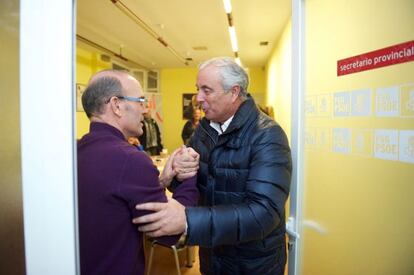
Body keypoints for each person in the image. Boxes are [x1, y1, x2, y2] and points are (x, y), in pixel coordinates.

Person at [133, 57, 292, 275]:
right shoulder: (205, 130)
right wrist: (179, 173)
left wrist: (187, 221)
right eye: (198, 89)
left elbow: (263, 214)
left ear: (234, 92)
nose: (198, 98)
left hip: (252, 264)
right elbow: (194, 186)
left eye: (206, 90)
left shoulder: (267, 136)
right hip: (214, 257)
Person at [77, 69, 199, 275]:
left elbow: (113, 200)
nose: (145, 110)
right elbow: (168, 233)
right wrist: (188, 175)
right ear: (116, 105)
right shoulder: (130, 159)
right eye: (140, 101)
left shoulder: (76, 151)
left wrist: (161, 181)